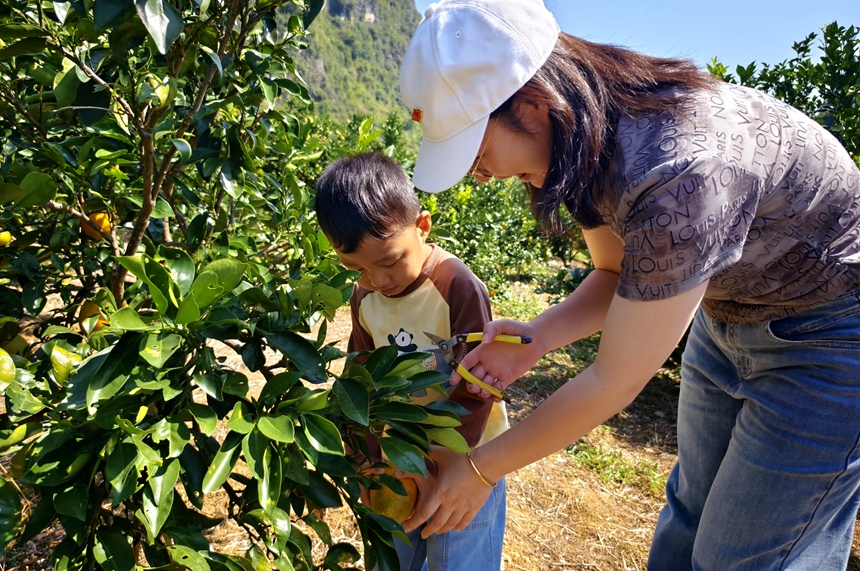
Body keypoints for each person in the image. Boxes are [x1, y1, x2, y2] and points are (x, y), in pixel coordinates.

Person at [397, 0, 860, 569]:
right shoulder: (586, 144)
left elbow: (612, 381)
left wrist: (479, 469)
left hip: (831, 338)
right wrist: (537, 338)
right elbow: (615, 275)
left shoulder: (681, 171)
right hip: (730, 314)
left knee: (743, 557)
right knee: (687, 522)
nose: (479, 172)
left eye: (477, 149)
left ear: (535, 105)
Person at [313, 151, 508, 571]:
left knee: (457, 557)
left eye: (388, 262)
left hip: (464, 458)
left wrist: (441, 460)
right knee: (396, 558)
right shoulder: (365, 297)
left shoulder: (456, 286)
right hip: (398, 458)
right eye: (356, 268)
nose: (377, 280)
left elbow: (477, 386)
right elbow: (360, 379)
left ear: (422, 227)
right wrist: (365, 458)